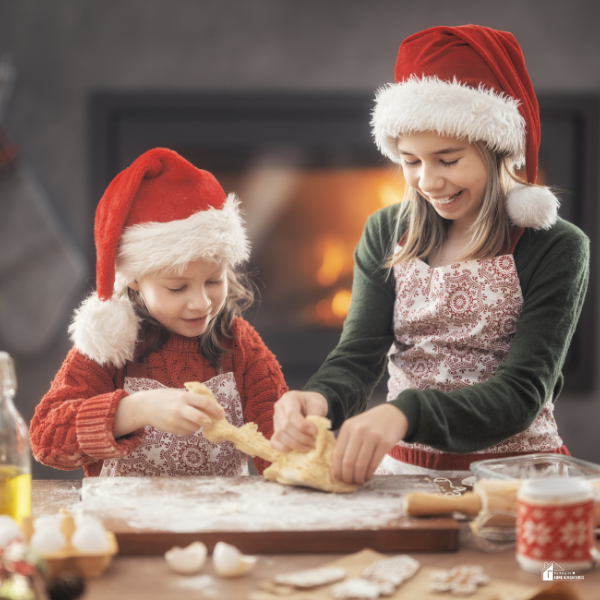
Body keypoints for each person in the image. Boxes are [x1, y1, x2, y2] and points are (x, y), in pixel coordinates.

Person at [271, 25, 589, 485]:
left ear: (498, 148)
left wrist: (404, 413)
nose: (427, 181)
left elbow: (521, 394)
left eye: (448, 158)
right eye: (411, 160)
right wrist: (317, 400)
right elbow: (357, 356)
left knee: (549, 565)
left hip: (517, 481)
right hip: (404, 473)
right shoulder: (386, 231)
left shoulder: (556, 245)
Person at [30, 148, 287, 477]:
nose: (201, 303)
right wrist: (135, 410)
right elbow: (45, 439)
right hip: (124, 525)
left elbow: (278, 444)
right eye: (177, 288)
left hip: (219, 523)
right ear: (135, 279)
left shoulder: (240, 346)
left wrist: (295, 437)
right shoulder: (109, 346)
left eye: (213, 280)